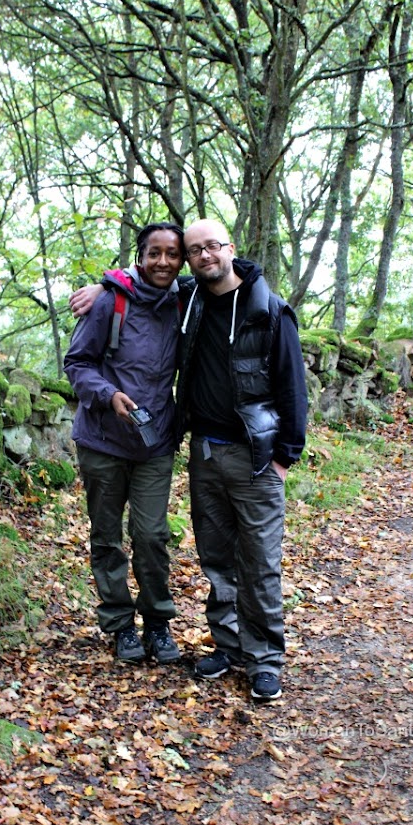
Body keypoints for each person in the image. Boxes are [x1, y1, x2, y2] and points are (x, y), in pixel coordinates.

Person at [70, 218, 307, 701]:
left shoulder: (254, 307)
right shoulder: (166, 298)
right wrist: (104, 285)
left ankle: (255, 656)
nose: (194, 257)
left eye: (205, 248)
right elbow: (89, 348)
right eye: (190, 250)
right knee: (212, 557)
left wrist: (286, 455)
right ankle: (208, 642)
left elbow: (291, 385)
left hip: (235, 453)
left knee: (243, 558)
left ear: (228, 248)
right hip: (178, 447)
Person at [64, 222, 184, 665]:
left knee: (151, 535)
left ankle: (157, 623)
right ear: (140, 257)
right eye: (155, 253)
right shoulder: (110, 303)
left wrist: (103, 280)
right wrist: (106, 394)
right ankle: (119, 626)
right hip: (102, 441)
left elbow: (234, 273)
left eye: (173, 254)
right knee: (107, 537)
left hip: (155, 442)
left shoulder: (185, 302)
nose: (163, 262)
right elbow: (76, 362)